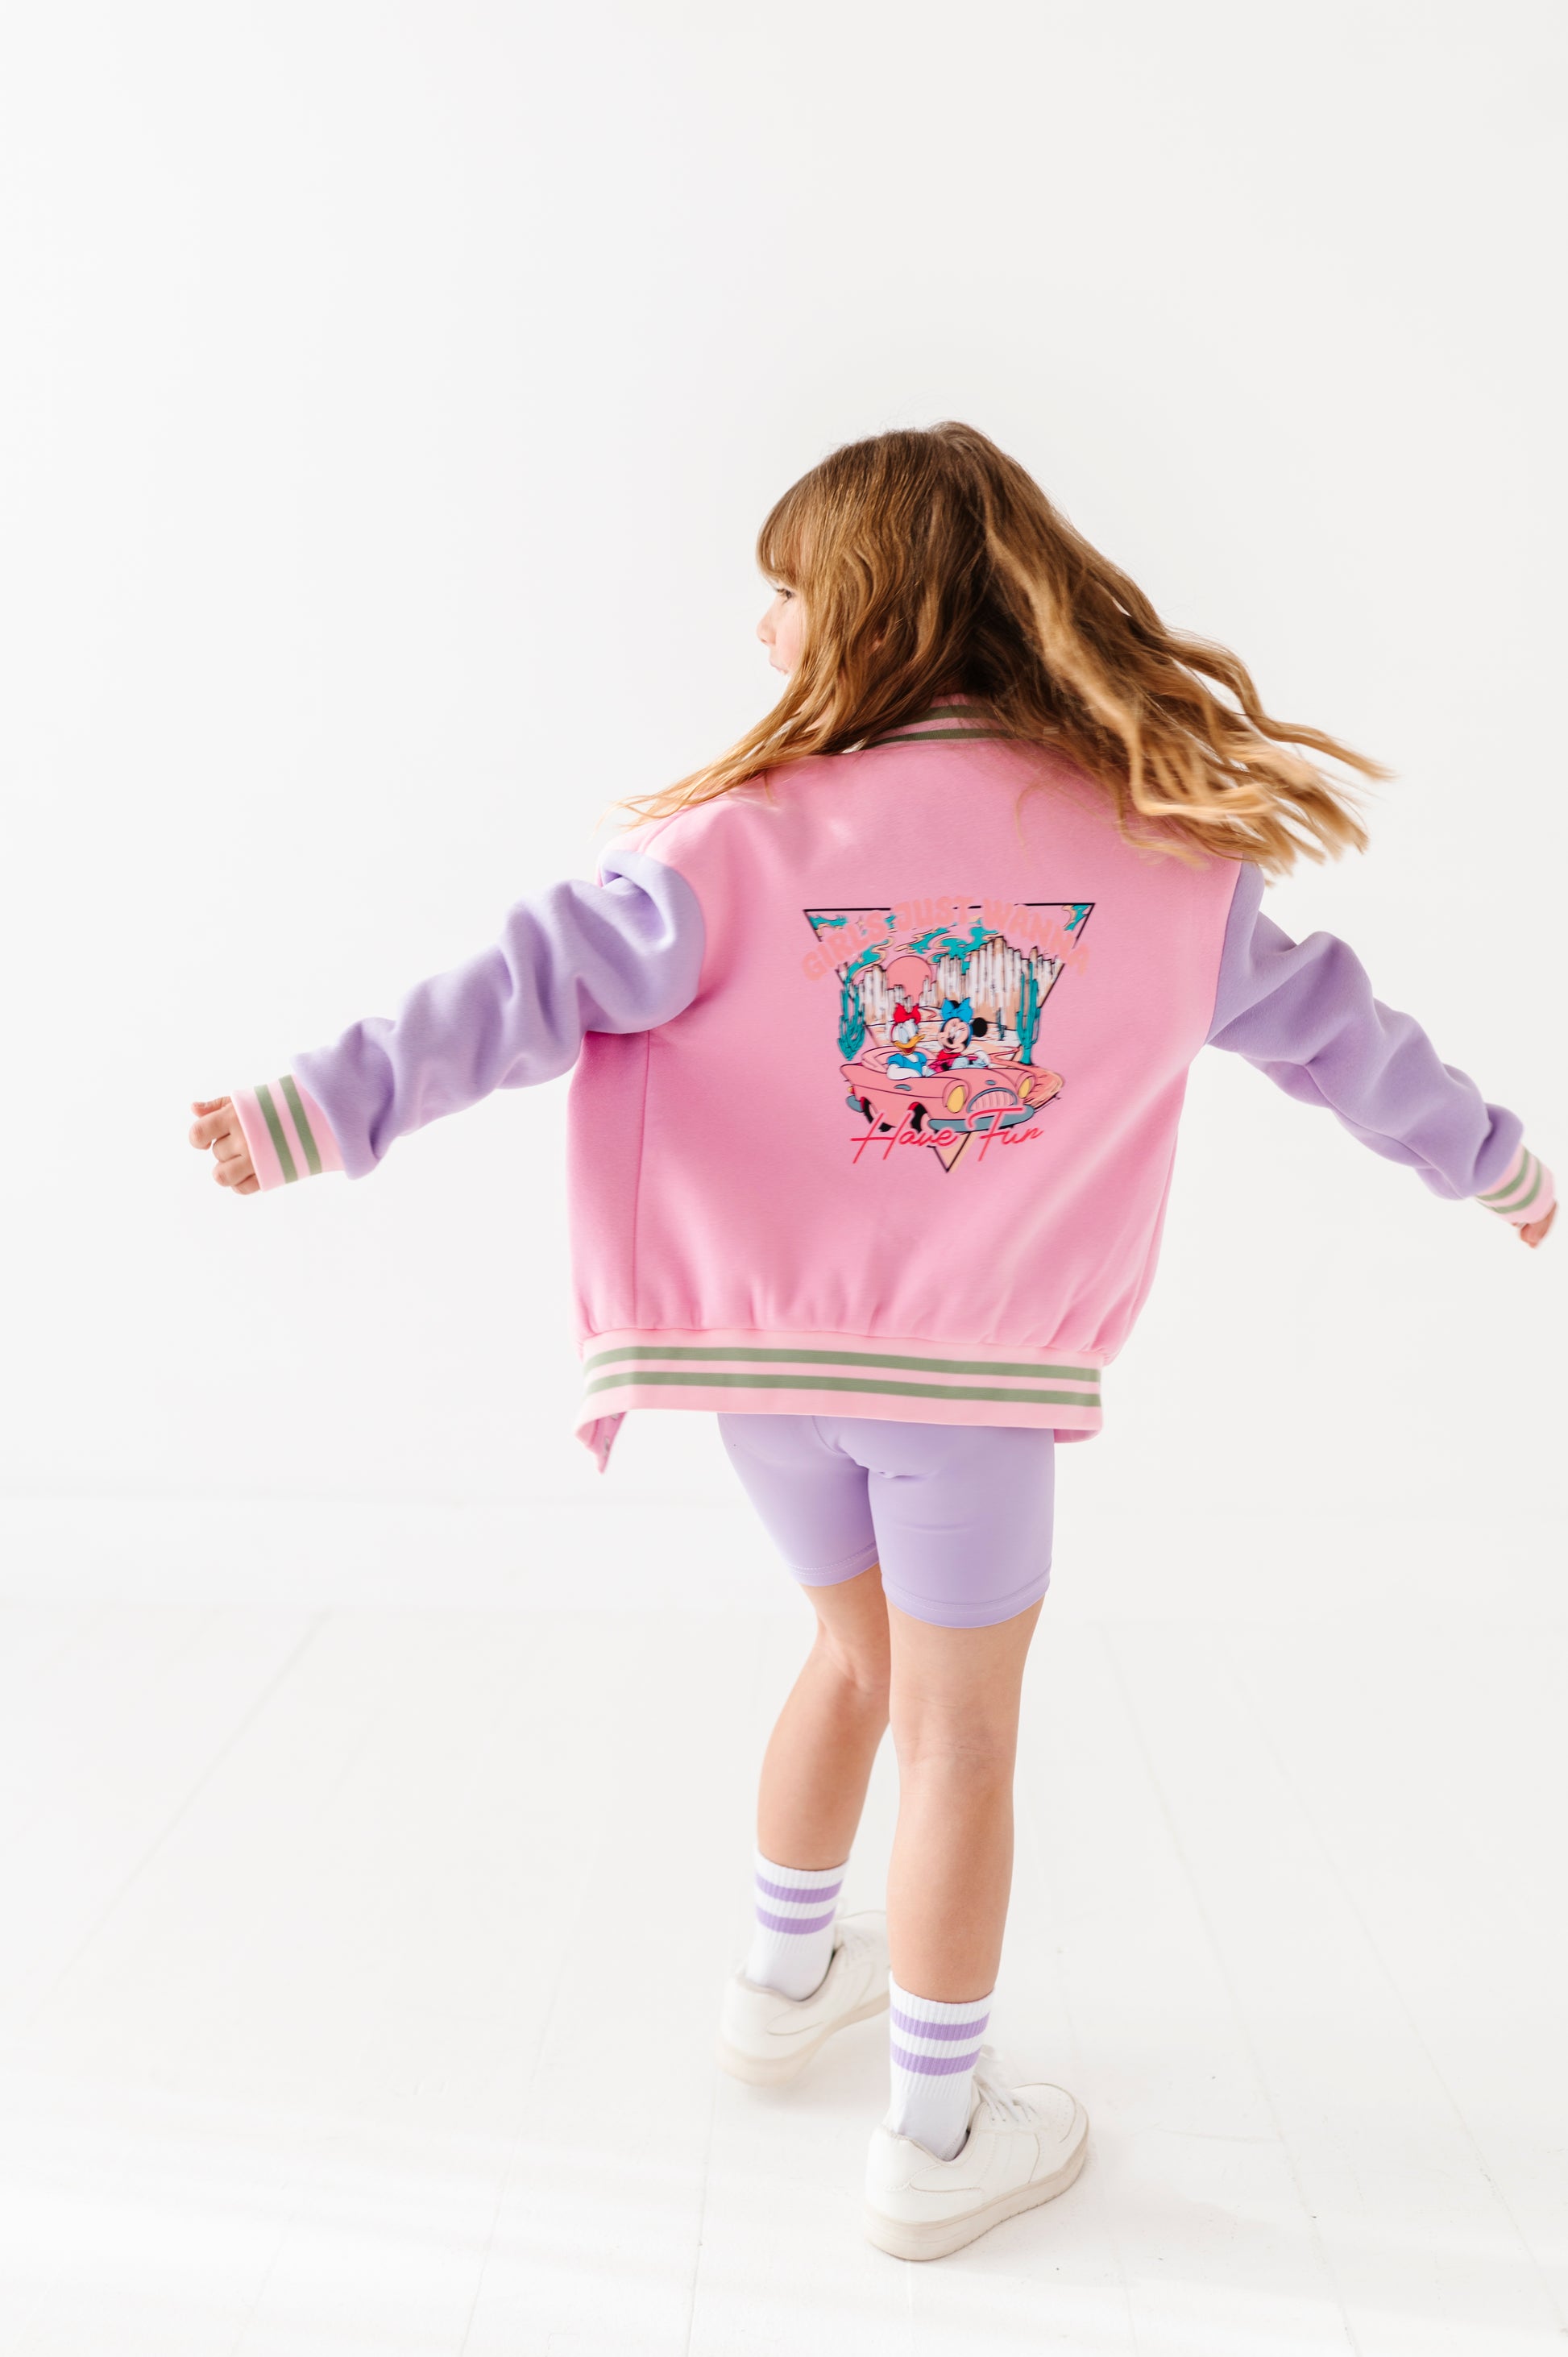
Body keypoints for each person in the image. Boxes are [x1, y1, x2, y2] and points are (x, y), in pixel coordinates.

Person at [189, 422, 1555, 2264]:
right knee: (960, 1734)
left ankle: (778, 1982)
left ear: (871, 609)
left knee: (852, 1658)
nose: (762, 629)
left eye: (785, 591)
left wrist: (315, 1108)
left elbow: (520, 985)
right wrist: (1497, 1163)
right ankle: (934, 2127)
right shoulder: (1159, 858)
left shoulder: (729, 845)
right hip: (970, 1393)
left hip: (758, 1374)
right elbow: (1342, 1039)